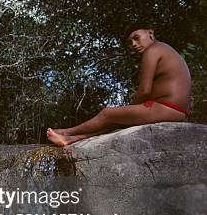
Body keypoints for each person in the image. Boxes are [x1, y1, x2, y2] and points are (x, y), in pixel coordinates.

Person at [47, 23, 192, 146]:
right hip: (175, 110)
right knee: (116, 122)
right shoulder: (165, 49)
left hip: (167, 108)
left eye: (136, 38)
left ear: (150, 33)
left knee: (107, 114)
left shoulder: (153, 50)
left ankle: (67, 132)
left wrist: (130, 108)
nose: (134, 44)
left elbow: (144, 90)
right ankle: (71, 139)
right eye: (130, 42)